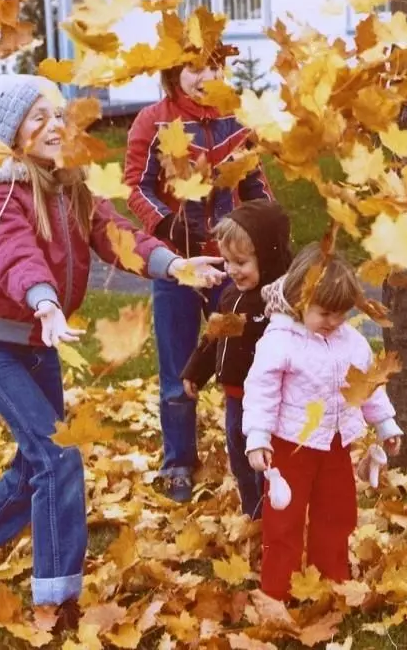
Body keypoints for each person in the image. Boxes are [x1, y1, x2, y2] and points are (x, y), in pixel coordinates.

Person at [0, 75, 224, 630]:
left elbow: (120, 235)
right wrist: (44, 302)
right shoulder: (1, 194)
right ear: (9, 131)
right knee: (58, 458)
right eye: (36, 116)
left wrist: (174, 264)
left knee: (34, 464)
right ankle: (55, 600)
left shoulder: (71, 186)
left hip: (40, 346)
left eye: (58, 115)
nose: (53, 126)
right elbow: (13, 254)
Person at [124, 49, 273, 502]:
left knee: (244, 360)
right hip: (177, 266)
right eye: (194, 67)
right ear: (173, 71)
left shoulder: (237, 122)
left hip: (231, 270)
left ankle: (252, 456)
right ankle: (178, 462)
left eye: (214, 65)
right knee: (177, 369)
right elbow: (136, 185)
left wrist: (262, 232)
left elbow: (255, 185)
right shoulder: (153, 122)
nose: (206, 76)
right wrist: (164, 223)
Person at [242, 244, 403, 600]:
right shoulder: (280, 341)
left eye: (341, 314)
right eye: (325, 313)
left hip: (335, 443)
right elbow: (261, 391)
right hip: (290, 445)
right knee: (284, 517)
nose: (333, 322)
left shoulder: (352, 342)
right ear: (300, 300)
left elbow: (367, 387)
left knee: (336, 511)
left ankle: (330, 578)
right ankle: (278, 589)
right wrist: (257, 435)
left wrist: (386, 424)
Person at [181, 200, 293, 518]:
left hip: (271, 403)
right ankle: (253, 513)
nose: (232, 270)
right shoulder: (232, 295)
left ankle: (276, 515)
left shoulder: (279, 304)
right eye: (228, 261)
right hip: (235, 399)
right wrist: (195, 371)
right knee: (241, 459)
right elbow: (215, 336)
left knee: (267, 462)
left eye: (241, 262)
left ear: (268, 255)